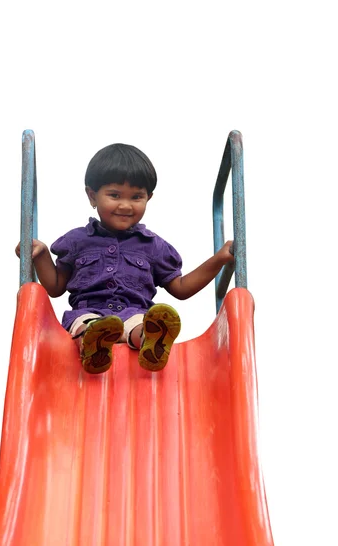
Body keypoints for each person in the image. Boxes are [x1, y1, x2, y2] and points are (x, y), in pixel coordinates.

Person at [16, 143, 234, 375]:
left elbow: (181, 288)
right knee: (85, 325)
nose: (125, 205)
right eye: (114, 195)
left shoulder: (153, 246)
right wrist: (41, 256)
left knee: (142, 326)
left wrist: (219, 259)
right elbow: (55, 286)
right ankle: (93, 347)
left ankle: (153, 343)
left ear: (148, 198)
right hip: (88, 312)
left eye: (136, 197)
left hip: (135, 313)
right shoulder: (77, 241)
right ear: (92, 196)